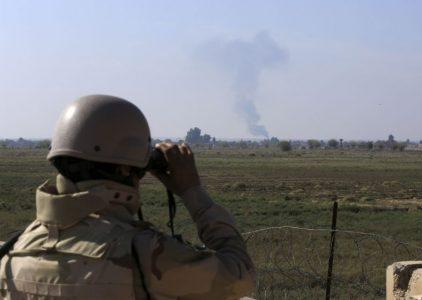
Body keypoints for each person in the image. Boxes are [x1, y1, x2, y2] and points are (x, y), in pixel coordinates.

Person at [0, 95, 255, 300]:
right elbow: (239, 275)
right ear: (124, 169)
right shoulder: (141, 252)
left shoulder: (14, 250)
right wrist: (192, 190)